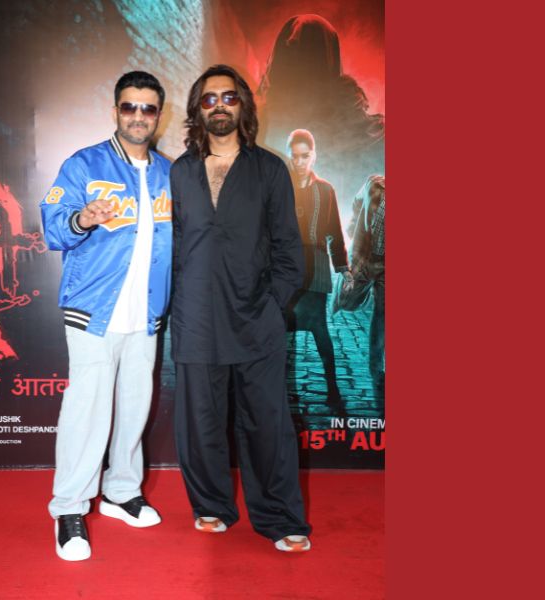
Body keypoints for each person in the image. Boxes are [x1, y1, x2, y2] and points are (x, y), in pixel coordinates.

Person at [170, 64, 311, 552]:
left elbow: (289, 250)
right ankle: (211, 505)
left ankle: (280, 517)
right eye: (209, 99)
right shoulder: (180, 171)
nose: (219, 106)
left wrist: (272, 306)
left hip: (256, 319)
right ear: (197, 109)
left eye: (228, 97)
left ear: (243, 106)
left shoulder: (269, 168)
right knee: (200, 421)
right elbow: (173, 244)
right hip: (195, 318)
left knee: (267, 423)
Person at [40, 71, 172, 561]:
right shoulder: (84, 164)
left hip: (146, 312)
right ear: (115, 111)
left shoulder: (168, 172)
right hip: (94, 309)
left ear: (159, 115)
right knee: (87, 412)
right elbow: (53, 227)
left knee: (135, 408)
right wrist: (82, 218)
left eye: (148, 108)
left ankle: (121, 491)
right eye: (129, 107)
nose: (138, 116)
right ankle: (69, 507)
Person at [258, 14, 384, 207]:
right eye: (292, 52)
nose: (298, 63)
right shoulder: (259, 123)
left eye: (304, 52)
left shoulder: (261, 121)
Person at [284, 129, 352, 414]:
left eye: (305, 156)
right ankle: (281, 391)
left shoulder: (325, 190)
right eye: (295, 156)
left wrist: (343, 268)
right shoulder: (280, 185)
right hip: (285, 266)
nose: (300, 162)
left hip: (316, 265)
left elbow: (335, 230)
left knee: (319, 329)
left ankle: (333, 390)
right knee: (280, 330)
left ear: (314, 156)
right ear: (290, 156)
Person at [348, 174, 385, 399]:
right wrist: (354, 227)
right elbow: (357, 202)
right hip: (369, 258)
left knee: (382, 312)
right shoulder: (375, 183)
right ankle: (376, 367)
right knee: (350, 300)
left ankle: (376, 368)